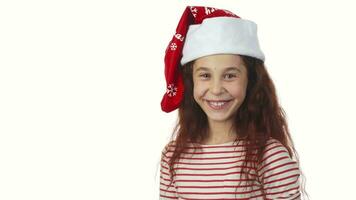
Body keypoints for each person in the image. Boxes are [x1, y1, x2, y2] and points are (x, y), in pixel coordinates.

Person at [159, 6, 308, 200]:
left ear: (251, 81)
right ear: (191, 81)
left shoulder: (269, 156)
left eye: (229, 75)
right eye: (205, 75)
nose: (216, 89)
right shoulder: (172, 156)